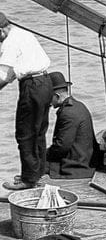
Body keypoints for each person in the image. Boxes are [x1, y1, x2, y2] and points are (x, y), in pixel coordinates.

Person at [0, 12, 53, 190]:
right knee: (39, 131)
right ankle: (36, 173)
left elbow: (4, 76)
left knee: (25, 132)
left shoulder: (9, 43)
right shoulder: (23, 33)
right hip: (45, 82)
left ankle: (28, 179)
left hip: (32, 86)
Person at [46, 72, 99, 180]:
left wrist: (44, 154)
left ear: (56, 96)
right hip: (84, 158)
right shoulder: (77, 105)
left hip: (76, 167)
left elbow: (61, 147)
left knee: (36, 162)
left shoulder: (68, 112)